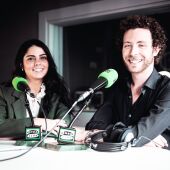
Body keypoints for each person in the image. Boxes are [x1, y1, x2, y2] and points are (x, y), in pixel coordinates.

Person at [85, 15, 170, 149]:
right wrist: (139, 137)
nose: (133, 52)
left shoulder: (167, 88)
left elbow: (139, 132)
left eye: (141, 45)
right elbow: (93, 126)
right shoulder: (118, 87)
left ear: (155, 49)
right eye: (127, 45)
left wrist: (122, 134)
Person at [0, 39, 72, 139]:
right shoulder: (4, 92)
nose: (38, 63)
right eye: (31, 59)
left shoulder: (57, 92)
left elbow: (64, 125)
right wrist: (37, 122)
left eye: (43, 58)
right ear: (21, 65)